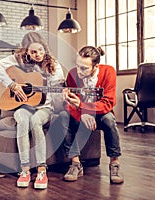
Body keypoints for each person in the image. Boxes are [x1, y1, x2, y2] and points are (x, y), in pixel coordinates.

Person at [0, 32, 64, 189]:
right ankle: (25, 170)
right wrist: (12, 85)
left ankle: (41, 170)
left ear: (45, 49)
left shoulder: (54, 66)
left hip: (45, 107)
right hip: (24, 106)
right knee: (22, 120)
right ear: (26, 52)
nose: (38, 55)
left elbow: (57, 94)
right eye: (33, 52)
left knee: (35, 121)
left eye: (41, 51)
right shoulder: (18, 59)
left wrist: (63, 95)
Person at [60, 46, 124, 184]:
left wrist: (84, 108)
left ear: (96, 66)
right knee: (63, 116)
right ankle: (76, 163)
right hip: (80, 114)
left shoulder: (108, 71)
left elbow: (108, 102)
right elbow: (69, 104)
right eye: (77, 66)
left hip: (100, 113)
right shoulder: (72, 74)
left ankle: (115, 163)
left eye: (84, 68)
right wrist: (82, 113)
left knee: (109, 120)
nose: (79, 71)